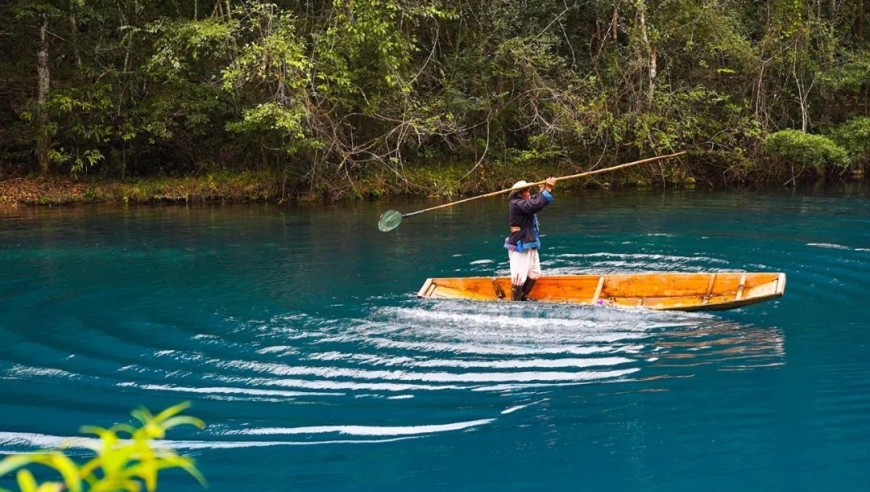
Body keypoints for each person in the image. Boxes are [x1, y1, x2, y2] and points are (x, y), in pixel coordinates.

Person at [504, 177, 557, 301]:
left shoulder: (524, 201)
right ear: (520, 193)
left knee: (535, 273)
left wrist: (543, 191)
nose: (529, 193)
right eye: (527, 191)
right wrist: (548, 189)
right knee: (518, 277)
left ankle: (523, 297)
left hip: (529, 243)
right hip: (520, 244)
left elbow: (535, 200)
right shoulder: (516, 203)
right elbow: (533, 205)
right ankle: (516, 302)